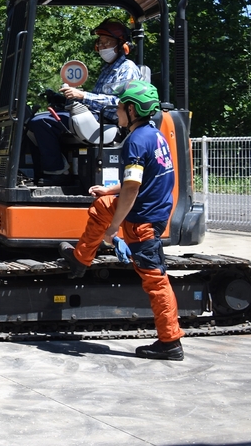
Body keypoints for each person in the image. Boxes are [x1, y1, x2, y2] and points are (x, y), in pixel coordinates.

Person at [59, 80, 183, 361]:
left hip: (142, 219)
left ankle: (170, 341)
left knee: (155, 281)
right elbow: (139, 181)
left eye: (120, 107)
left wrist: (114, 229)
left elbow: (132, 188)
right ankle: (81, 258)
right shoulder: (154, 136)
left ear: (132, 109)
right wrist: (108, 191)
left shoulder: (135, 142)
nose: (116, 112)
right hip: (154, 211)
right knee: (101, 205)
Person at [27, 19, 142, 176]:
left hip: (106, 121)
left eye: (106, 42)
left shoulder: (126, 69)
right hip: (94, 116)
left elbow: (120, 104)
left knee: (41, 122)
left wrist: (82, 95)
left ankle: (56, 172)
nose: (102, 47)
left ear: (121, 44)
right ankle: (51, 168)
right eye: (100, 43)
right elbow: (97, 99)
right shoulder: (108, 69)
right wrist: (64, 98)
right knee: (33, 123)